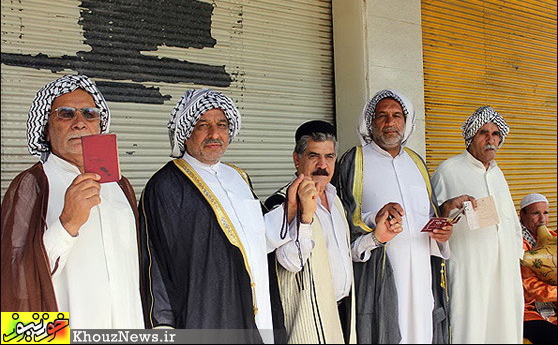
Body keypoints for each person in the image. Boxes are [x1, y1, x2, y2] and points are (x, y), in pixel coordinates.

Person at [138, 88, 285, 343]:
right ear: (186, 133)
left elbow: (260, 237)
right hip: (204, 319)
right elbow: (154, 264)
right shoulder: (165, 186)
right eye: (202, 125)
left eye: (221, 125)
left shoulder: (239, 176)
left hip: (256, 313)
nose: (214, 134)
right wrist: (162, 327)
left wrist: (295, 207)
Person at [0, 75, 144, 329]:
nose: (80, 123)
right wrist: (67, 224)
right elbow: (13, 281)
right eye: (65, 114)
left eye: (90, 114)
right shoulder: (32, 184)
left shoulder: (120, 185)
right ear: (45, 128)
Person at [335, 89, 468, 344]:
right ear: (370, 122)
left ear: (406, 123)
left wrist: (442, 234)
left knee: (421, 331)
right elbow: (343, 219)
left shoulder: (416, 162)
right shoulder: (355, 160)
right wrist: (377, 218)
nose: (390, 122)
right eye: (382, 115)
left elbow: (428, 217)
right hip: (378, 275)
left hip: (420, 272)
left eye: (397, 115)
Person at [431, 105, 524, 343]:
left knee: (504, 328)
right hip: (469, 272)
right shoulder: (448, 171)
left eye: (495, 134)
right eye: (483, 132)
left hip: (504, 272)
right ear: (471, 137)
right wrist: (448, 208)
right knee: (471, 327)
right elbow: (433, 221)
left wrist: (517, 256)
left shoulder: (498, 174)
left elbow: (512, 222)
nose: (490, 139)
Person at [264, 120, 356, 344]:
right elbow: (291, 263)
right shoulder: (280, 205)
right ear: (297, 159)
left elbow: (342, 254)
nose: (323, 165)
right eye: (314, 156)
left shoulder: (337, 203)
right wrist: (304, 217)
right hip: (307, 323)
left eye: (330, 157)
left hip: (343, 316)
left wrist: (376, 238)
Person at [519, 193, 557, 344]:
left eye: (545, 213)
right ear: (522, 215)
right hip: (527, 310)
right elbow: (530, 287)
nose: (542, 219)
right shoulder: (518, 244)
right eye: (536, 213)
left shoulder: (551, 238)